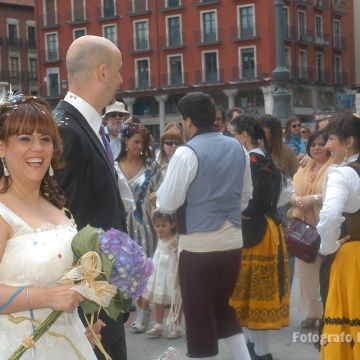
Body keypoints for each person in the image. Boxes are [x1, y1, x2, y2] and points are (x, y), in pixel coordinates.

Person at [157, 92, 253, 360]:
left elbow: (168, 201)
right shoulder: (238, 148)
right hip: (233, 241)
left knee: (198, 316)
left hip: (198, 246)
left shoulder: (186, 153)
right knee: (223, 308)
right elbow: (246, 195)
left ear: (188, 121)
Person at [0, 95, 96, 359]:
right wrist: (46, 297)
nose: (38, 148)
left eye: (45, 139)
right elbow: (51, 293)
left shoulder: (57, 206)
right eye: (24, 138)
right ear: (1, 147)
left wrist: (84, 318)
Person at [53, 35, 128, 360]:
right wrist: (83, 303)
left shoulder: (79, 124)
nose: (121, 80)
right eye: (118, 71)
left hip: (100, 294)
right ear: (101, 72)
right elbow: (61, 220)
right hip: (88, 302)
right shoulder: (67, 130)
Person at [229, 114, 290, 360]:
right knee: (256, 294)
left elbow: (246, 198)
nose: (232, 139)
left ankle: (259, 352)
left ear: (244, 136)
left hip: (254, 232)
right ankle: (256, 349)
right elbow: (284, 196)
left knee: (252, 294)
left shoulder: (249, 160)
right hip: (269, 230)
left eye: (233, 134)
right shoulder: (267, 161)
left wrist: (241, 213)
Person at [316, 112, 360, 359]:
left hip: (352, 259)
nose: (327, 145)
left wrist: (329, 245)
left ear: (349, 142)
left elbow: (331, 216)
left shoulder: (342, 174)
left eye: (332, 139)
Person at [289, 130, 332, 330]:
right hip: (304, 228)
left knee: (325, 271)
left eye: (321, 144)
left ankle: (327, 314)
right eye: (313, 144)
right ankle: (311, 313)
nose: (316, 148)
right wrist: (298, 200)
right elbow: (290, 191)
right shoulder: (304, 166)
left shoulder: (336, 168)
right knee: (306, 273)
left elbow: (333, 195)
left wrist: (313, 199)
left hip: (325, 226)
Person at [140, 211, 182, 339]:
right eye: (158, 226)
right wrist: (153, 205)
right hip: (159, 273)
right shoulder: (160, 237)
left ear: (172, 225)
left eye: (164, 225)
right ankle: (158, 325)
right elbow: (153, 214)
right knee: (158, 300)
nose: (160, 228)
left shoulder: (176, 239)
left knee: (175, 301)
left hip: (171, 272)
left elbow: (179, 254)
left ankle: (176, 326)